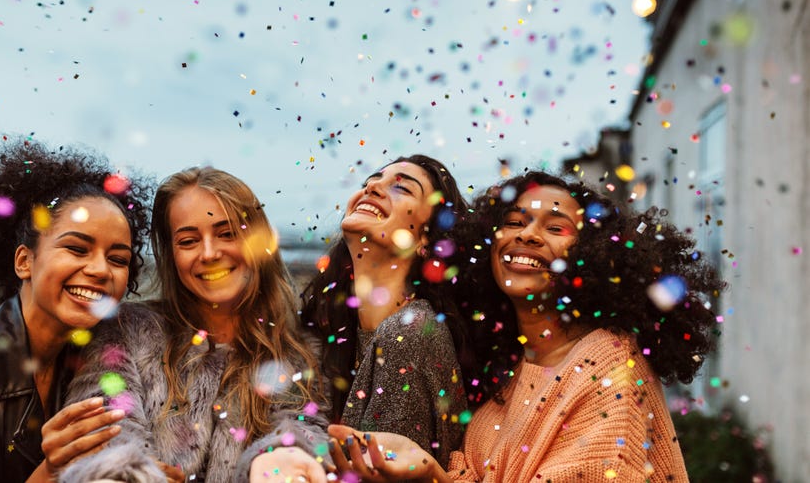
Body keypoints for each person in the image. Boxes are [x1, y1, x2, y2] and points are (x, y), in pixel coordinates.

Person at [328, 169, 725, 482]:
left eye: (555, 228)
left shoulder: (610, 368)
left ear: (593, 255)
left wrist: (431, 474)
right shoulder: (508, 366)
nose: (528, 236)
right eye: (515, 222)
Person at [60, 166, 330, 483]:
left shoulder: (299, 350)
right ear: (171, 254)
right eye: (188, 240)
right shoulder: (126, 331)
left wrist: (282, 460)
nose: (209, 253)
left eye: (227, 233)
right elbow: (106, 428)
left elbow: (302, 429)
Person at [0, 138, 153, 482]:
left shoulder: (107, 360)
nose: (101, 270)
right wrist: (53, 470)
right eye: (77, 248)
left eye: (118, 259)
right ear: (24, 261)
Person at [300, 155, 471, 469]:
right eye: (369, 182)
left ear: (425, 239)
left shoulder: (411, 331)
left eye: (402, 189)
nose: (373, 187)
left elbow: (378, 473)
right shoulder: (335, 330)